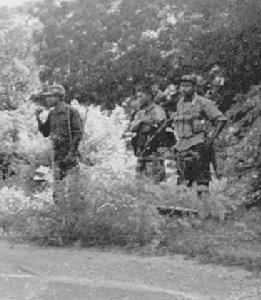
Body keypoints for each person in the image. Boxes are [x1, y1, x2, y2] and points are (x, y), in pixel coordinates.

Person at [173, 74, 227, 199]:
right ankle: (185, 209)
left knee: (201, 181)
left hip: (198, 146)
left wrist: (211, 139)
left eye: (187, 86)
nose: (184, 89)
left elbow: (221, 119)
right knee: (182, 181)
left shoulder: (203, 103)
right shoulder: (180, 104)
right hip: (182, 147)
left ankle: (204, 208)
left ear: (194, 87)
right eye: (182, 86)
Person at [35, 84, 83, 202]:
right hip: (57, 157)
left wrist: (72, 153)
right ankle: (60, 215)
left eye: (50, 97)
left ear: (58, 97)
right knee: (58, 191)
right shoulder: (52, 114)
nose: (47, 99)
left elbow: (78, 134)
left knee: (73, 189)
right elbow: (46, 132)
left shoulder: (71, 112)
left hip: (70, 156)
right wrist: (38, 119)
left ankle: (74, 215)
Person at [130, 88, 167, 183]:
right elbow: (132, 127)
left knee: (153, 183)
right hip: (142, 151)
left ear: (149, 96)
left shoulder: (158, 111)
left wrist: (149, 121)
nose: (139, 99)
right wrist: (142, 121)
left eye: (141, 96)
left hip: (154, 153)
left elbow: (161, 124)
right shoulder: (140, 113)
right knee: (139, 182)